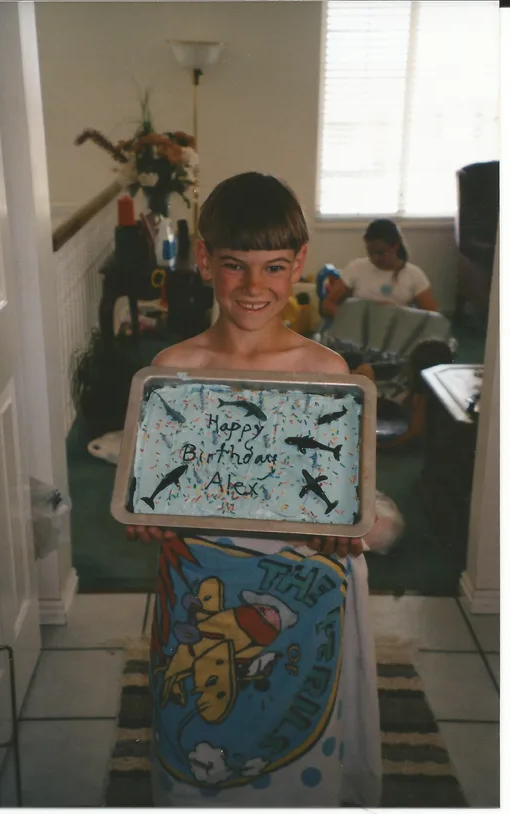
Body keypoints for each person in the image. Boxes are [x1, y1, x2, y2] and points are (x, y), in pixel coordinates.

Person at [127, 172, 381, 807]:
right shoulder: (171, 373)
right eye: (235, 264)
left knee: (294, 726)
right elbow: (151, 495)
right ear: (205, 259)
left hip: (302, 592)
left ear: (298, 264)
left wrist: (349, 530)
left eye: (273, 267)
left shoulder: (326, 373)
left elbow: (346, 502)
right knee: (198, 729)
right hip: (203, 586)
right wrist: (146, 517)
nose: (253, 286)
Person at [322, 218, 438, 317]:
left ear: (396, 246)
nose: (375, 258)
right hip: (359, 331)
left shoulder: (414, 275)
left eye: (381, 253)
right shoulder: (356, 268)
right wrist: (352, 319)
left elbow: (432, 318)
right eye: (370, 252)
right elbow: (327, 304)